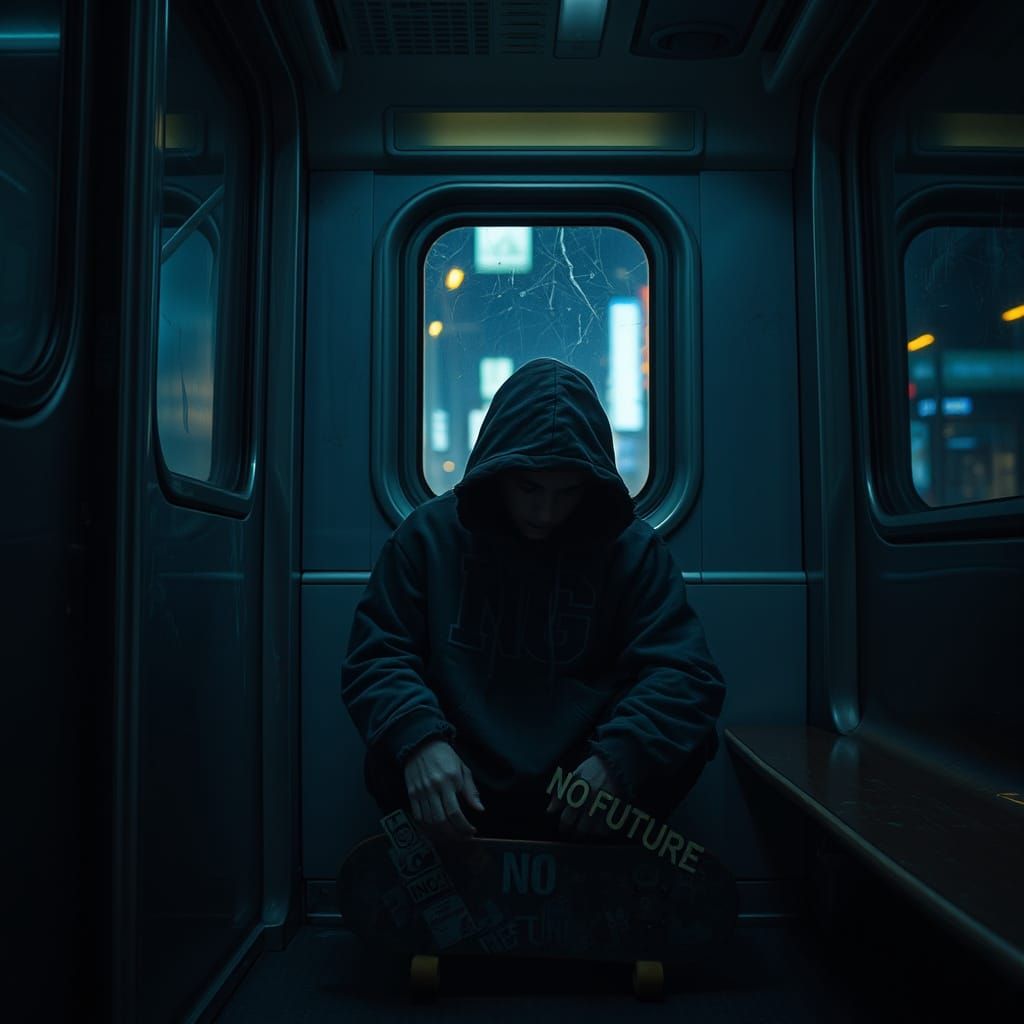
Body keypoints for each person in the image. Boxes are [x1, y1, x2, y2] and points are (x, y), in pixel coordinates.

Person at [340, 357, 725, 844]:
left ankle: (602, 887)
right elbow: (378, 654)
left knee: (684, 742)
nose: (545, 512)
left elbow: (686, 675)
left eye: (566, 493)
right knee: (394, 744)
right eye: (529, 488)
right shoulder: (429, 538)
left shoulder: (633, 551)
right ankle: (450, 885)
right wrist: (421, 740)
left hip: (581, 788)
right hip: (462, 772)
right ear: (498, 474)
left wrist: (617, 758)